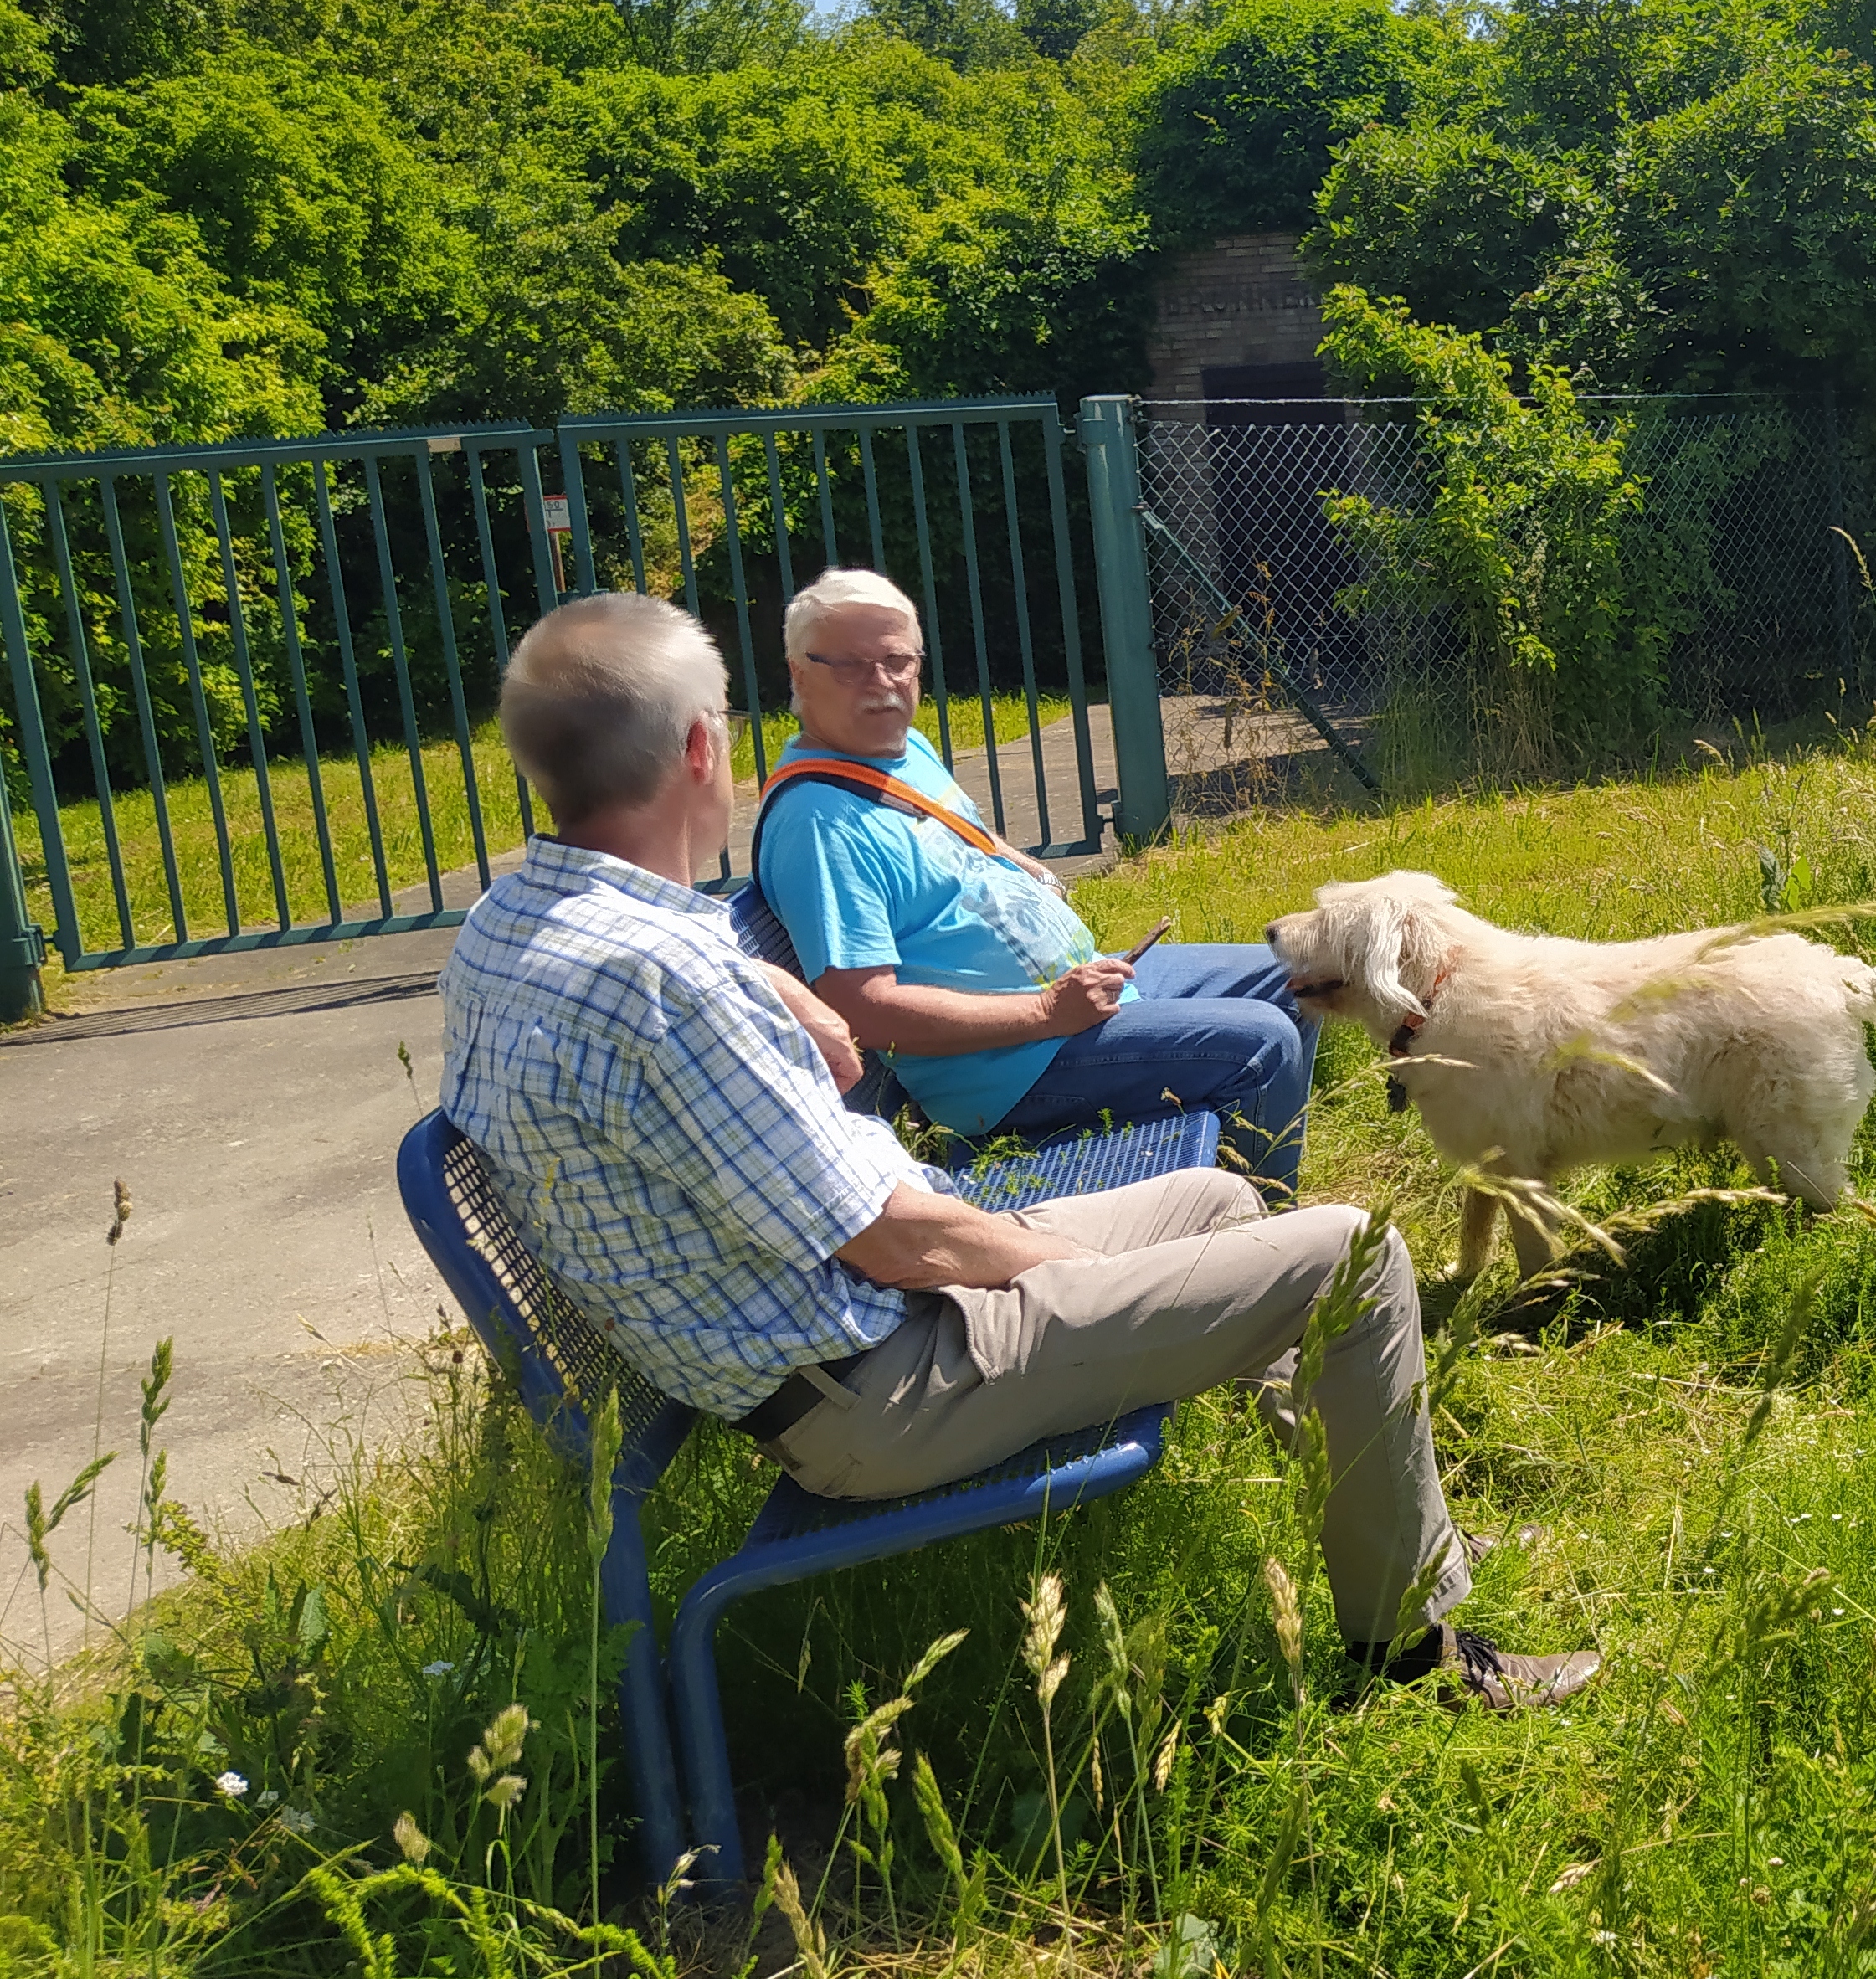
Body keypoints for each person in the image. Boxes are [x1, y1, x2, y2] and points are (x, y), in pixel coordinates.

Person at [438, 591, 1593, 1710]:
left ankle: (1388, 1523)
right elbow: (894, 1240)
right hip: (876, 1390)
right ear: (701, 748)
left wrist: (777, 987)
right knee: (1354, 1252)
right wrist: (1058, 1265)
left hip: (836, 1334)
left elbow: (717, 1032)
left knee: (1213, 1199)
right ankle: (1413, 1648)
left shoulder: (510, 927)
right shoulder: (669, 984)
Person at [749, 568, 1313, 1193]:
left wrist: (1018, 862)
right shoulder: (819, 824)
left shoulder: (897, 749)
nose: (881, 686)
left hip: (1077, 996)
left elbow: (954, 837)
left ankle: (1233, 1185)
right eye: (851, 666)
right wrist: (1047, 1010)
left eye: (897, 661)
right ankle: (1262, 1237)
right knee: (1264, 1044)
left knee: (1297, 977)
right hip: (1016, 1069)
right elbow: (864, 1009)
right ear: (799, 673)